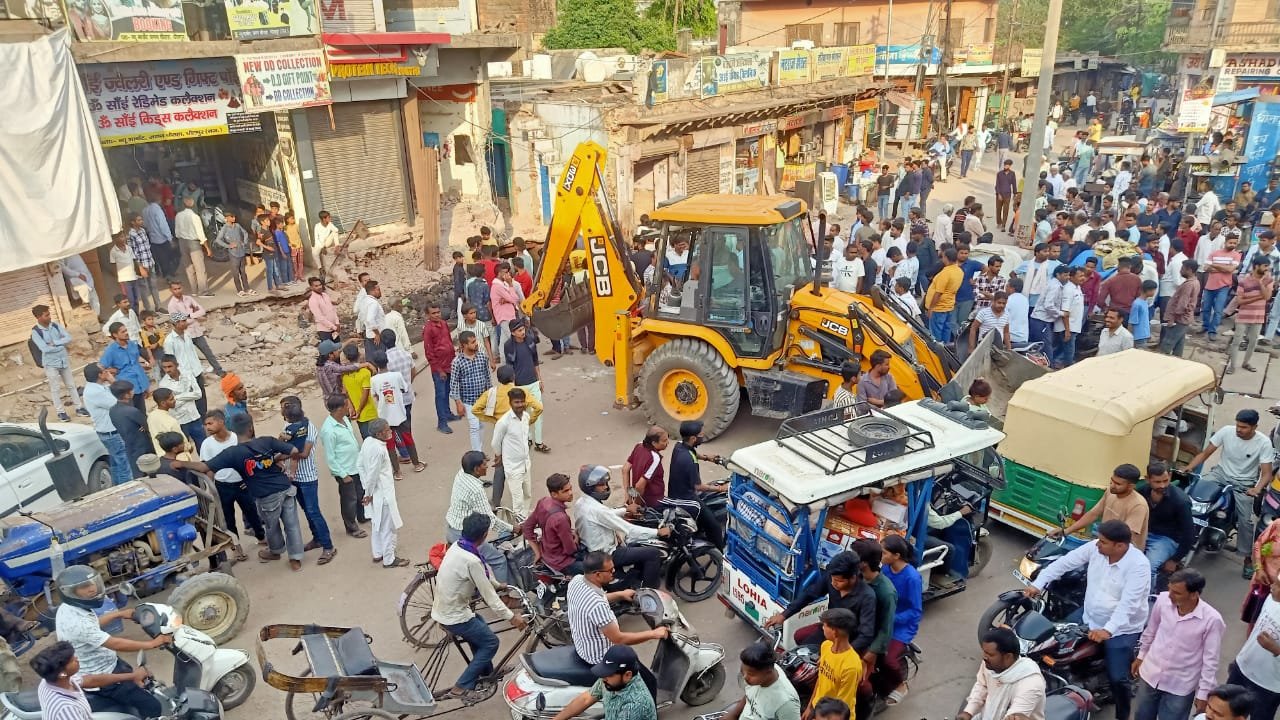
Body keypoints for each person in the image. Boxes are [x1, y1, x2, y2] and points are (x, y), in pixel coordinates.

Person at [1028, 521, 1150, 720]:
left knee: (1118, 678)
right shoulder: (1096, 549)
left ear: (1120, 546)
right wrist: (1038, 584)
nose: (1097, 544)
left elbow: (1129, 604)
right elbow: (1065, 562)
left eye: (1103, 542)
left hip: (1121, 628)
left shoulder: (1139, 566)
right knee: (1051, 644)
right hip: (1089, 615)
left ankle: (1123, 715)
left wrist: (1108, 630)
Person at [188, 412, 305, 570]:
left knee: (272, 526)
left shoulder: (233, 452)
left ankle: (276, 551)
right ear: (251, 428)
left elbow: (203, 467)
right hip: (286, 488)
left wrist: (180, 464)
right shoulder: (266, 441)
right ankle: (295, 559)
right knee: (292, 525)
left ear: (233, 430)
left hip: (266, 495)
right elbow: (294, 451)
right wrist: (274, 459)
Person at [432, 512, 525, 701]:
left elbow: (484, 575)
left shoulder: (459, 546)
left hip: (447, 609)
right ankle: (461, 686)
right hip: (454, 616)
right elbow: (492, 600)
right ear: (483, 536)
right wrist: (512, 617)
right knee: (491, 643)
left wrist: (498, 585)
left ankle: (486, 674)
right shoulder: (471, 560)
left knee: (481, 628)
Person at [54, 566, 167, 718]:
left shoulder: (69, 608)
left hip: (109, 663)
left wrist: (118, 614)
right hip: (103, 677)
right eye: (84, 587)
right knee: (152, 705)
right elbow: (115, 643)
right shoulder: (77, 622)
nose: (92, 589)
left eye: (92, 583)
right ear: (70, 592)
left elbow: (92, 626)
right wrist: (152, 644)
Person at [1184, 409, 1275, 578]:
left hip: (1244, 484)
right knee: (1193, 496)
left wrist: (1256, 488)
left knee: (1246, 521)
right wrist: (1189, 467)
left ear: (1255, 427)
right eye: (1238, 425)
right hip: (1220, 474)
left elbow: (1267, 473)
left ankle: (1248, 559)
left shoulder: (1263, 443)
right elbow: (1205, 453)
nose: (1239, 429)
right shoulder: (1226, 431)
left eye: (1244, 427)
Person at [1133, 569, 1225, 720]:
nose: (1170, 595)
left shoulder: (1212, 620)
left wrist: (1203, 693)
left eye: (1176, 593)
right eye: (1170, 589)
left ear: (1194, 594)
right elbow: (1151, 630)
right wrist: (1141, 656)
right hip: (1150, 674)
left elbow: (1210, 660)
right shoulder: (1163, 601)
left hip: (1180, 686)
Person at [567, 551, 668, 673]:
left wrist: (621, 594)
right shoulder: (597, 606)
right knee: (643, 677)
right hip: (600, 657)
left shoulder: (577, 581)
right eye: (610, 570)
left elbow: (596, 598)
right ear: (597, 575)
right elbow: (619, 639)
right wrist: (654, 634)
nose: (614, 572)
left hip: (583, 647)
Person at [576, 465, 668, 588]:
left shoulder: (581, 502)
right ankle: (650, 593)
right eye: (601, 485)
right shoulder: (597, 510)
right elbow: (629, 529)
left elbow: (605, 515)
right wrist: (658, 532)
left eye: (605, 483)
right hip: (608, 553)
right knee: (653, 553)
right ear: (590, 487)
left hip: (591, 550)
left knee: (637, 546)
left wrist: (625, 510)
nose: (605, 487)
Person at [764, 551, 876, 650]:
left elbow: (866, 635)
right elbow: (810, 594)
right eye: (832, 579)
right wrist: (784, 615)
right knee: (802, 651)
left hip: (847, 641)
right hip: (827, 629)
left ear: (853, 577)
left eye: (838, 581)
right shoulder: (832, 577)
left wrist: (843, 653)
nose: (833, 583)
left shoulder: (867, 597)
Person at [32, 639, 153, 720]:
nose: (77, 659)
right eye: (72, 660)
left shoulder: (52, 680)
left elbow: (91, 680)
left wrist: (132, 676)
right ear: (62, 673)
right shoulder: (66, 709)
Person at [279, 398, 337, 565]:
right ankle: (317, 539)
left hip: (308, 477)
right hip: (294, 477)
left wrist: (281, 455)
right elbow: (283, 443)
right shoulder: (289, 426)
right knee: (306, 510)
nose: (282, 412)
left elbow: (303, 453)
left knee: (313, 511)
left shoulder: (309, 428)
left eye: (285, 409)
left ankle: (328, 546)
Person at [445, 451, 517, 584]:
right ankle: (504, 597)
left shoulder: (461, 473)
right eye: (484, 464)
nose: (487, 467)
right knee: (498, 560)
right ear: (476, 469)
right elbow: (491, 521)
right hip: (463, 535)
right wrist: (514, 528)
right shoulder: (476, 490)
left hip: (451, 528)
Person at [1051, 463, 1149, 550]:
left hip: (1122, 554)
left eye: (1118, 484)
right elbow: (1093, 514)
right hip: (1105, 545)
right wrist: (1066, 531)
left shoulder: (1138, 506)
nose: (1112, 485)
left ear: (1131, 486)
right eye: (1112, 481)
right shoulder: (1110, 492)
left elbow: (1125, 536)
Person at [956, 627, 1047, 720]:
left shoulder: (1030, 684)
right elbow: (982, 685)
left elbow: (1015, 715)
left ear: (1008, 657)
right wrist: (968, 712)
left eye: (990, 654)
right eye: (984, 652)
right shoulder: (990, 664)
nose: (984, 657)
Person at [664, 421, 728, 550]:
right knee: (714, 526)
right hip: (686, 499)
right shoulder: (689, 461)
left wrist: (707, 458)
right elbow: (698, 486)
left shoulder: (679, 447)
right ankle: (721, 553)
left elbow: (692, 452)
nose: (702, 436)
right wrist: (721, 488)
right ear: (693, 438)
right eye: (701, 435)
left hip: (675, 492)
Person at [848, 539, 894, 718]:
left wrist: (871, 653)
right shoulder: (856, 578)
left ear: (864, 563)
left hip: (870, 640)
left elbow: (885, 627)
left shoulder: (886, 591)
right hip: (851, 632)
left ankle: (866, 709)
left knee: (860, 684)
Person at [551, 644, 659, 720]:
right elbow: (586, 699)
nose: (604, 678)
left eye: (610, 674)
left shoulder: (635, 705)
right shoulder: (610, 681)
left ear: (627, 675)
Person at [1225, 576, 1280, 718]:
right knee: (1225, 711)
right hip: (1242, 668)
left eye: (1278, 585)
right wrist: (1239, 660)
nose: (1272, 586)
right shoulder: (1271, 598)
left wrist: (1276, 649)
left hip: (1268, 685)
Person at [317, 393, 368, 538]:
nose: (349, 407)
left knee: (359, 493)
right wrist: (342, 474)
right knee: (349, 499)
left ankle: (362, 516)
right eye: (347, 405)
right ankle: (351, 527)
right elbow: (330, 457)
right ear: (340, 408)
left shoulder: (344, 419)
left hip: (355, 465)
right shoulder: (329, 430)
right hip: (345, 470)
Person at [1138, 462, 1195, 587]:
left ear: (1170, 476)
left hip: (1167, 539)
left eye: (1165, 480)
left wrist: (1175, 560)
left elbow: (1189, 534)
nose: (1162, 485)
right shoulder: (1141, 492)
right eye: (1157, 482)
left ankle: (1147, 601)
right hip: (1143, 533)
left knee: (1148, 567)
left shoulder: (1181, 501)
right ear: (1148, 479)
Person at [879, 536, 921, 705]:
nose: (880, 555)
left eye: (883, 552)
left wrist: (891, 618)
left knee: (888, 659)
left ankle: (900, 684)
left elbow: (915, 611)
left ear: (896, 555)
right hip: (882, 617)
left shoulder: (912, 577)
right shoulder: (886, 569)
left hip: (901, 626)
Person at [369, 349, 423, 476]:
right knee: (408, 438)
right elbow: (404, 388)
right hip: (399, 413)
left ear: (375, 363)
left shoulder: (374, 380)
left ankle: (397, 472)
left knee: (390, 444)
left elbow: (375, 395)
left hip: (385, 417)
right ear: (387, 361)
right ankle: (416, 464)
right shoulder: (396, 375)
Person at [30, 304, 88, 421]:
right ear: (38, 317)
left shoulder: (55, 325)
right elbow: (44, 348)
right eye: (46, 315)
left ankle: (79, 408)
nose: (49, 317)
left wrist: (55, 343)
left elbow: (68, 337)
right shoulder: (36, 332)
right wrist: (60, 346)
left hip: (63, 361)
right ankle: (60, 412)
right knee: (55, 388)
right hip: (51, 364)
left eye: (49, 314)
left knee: (71, 385)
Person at [803, 609, 863, 720]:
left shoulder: (851, 667)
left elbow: (843, 707)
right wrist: (810, 706)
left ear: (834, 631)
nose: (822, 628)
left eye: (824, 626)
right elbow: (820, 680)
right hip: (820, 710)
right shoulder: (826, 646)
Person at [505, 318, 550, 453]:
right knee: (524, 415)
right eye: (519, 330)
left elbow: (535, 361)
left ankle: (539, 442)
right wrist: (512, 387)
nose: (523, 332)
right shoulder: (508, 346)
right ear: (513, 333)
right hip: (520, 386)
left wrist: (540, 379)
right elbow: (509, 367)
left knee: (538, 412)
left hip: (533, 383)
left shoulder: (530, 340)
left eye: (523, 329)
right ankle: (528, 438)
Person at [525, 473, 580, 575]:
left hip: (546, 554)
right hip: (562, 562)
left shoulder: (543, 502)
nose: (571, 493)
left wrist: (538, 552)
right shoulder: (561, 518)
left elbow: (527, 528)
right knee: (597, 568)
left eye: (570, 488)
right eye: (566, 491)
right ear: (554, 494)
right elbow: (570, 550)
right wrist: (576, 539)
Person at [1227, 255, 1274, 374]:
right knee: (1236, 341)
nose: (1267, 269)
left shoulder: (1268, 280)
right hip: (1243, 316)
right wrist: (1258, 297)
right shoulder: (1244, 280)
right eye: (1265, 266)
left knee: (1253, 342)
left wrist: (1260, 283)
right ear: (1256, 266)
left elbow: (1267, 297)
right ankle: (1232, 366)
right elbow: (1240, 301)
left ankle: (1246, 362)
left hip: (1258, 317)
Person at [450, 330, 493, 453]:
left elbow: (487, 376)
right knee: (474, 427)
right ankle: (478, 454)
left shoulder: (482, 356)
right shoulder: (457, 362)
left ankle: (479, 450)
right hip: (468, 401)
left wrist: (490, 396)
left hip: (482, 398)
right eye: (473, 342)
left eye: (476, 341)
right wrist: (458, 403)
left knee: (481, 425)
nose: (476, 344)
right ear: (464, 345)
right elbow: (454, 384)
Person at [422, 301, 458, 434]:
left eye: (438, 312)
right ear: (428, 315)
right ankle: (441, 423)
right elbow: (429, 352)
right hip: (439, 368)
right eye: (433, 313)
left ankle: (448, 414)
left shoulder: (443, 324)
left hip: (449, 364)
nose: (437, 315)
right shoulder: (428, 329)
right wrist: (439, 369)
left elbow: (448, 341)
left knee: (448, 391)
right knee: (440, 394)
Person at [100, 321, 151, 413]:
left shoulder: (132, 344)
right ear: (115, 335)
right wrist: (113, 372)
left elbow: (136, 362)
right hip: (126, 388)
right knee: (131, 414)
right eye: (123, 332)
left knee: (142, 413)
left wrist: (145, 386)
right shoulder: (111, 350)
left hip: (139, 384)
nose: (126, 333)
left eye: (126, 330)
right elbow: (101, 367)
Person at [107, 380, 151, 477]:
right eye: (131, 390)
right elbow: (148, 425)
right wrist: (143, 426)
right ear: (127, 395)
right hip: (142, 447)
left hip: (130, 446)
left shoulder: (112, 410)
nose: (133, 392)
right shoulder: (132, 411)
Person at [623, 426, 669, 509]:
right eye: (664, 441)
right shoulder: (655, 458)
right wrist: (636, 505)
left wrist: (627, 495)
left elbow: (625, 469)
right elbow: (639, 486)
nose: (667, 443)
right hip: (652, 502)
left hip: (638, 498)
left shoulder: (639, 446)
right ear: (654, 443)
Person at [1160, 260, 1199, 357]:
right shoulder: (1195, 282)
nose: (1180, 271)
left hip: (1179, 319)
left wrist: (1172, 318)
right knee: (1179, 345)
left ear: (1189, 270)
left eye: (1182, 269)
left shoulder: (1188, 285)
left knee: (1167, 344)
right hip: (1184, 319)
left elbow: (1182, 304)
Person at [925, 248, 962, 342]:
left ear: (946, 258)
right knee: (946, 330)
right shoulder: (959, 271)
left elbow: (938, 292)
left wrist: (931, 308)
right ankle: (945, 350)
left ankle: (938, 352)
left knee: (936, 333)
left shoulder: (945, 273)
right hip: (949, 306)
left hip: (938, 308)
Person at [306, 277, 341, 343]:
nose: (319, 287)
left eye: (320, 285)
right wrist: (334, 327)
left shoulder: (325, 295)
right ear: (311, 287)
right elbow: (320, 318)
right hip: (324, 331)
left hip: (334, 328)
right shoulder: (312, 300)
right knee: (328, 351)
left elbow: (333, 309)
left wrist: (337, 323)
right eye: (316, 286)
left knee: (338, 349)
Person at [314, 210, 341, 282]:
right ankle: (320, 269)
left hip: (326, 243)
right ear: (324, 219)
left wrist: (336, 245)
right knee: (314, 253)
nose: (330, 219)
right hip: (319, 244)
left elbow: (336, 230)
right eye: (329, 217)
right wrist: (322, 247)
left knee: (334, 232)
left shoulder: (330, 224)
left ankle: (337, 246)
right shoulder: (317, 226)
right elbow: (316, 239)